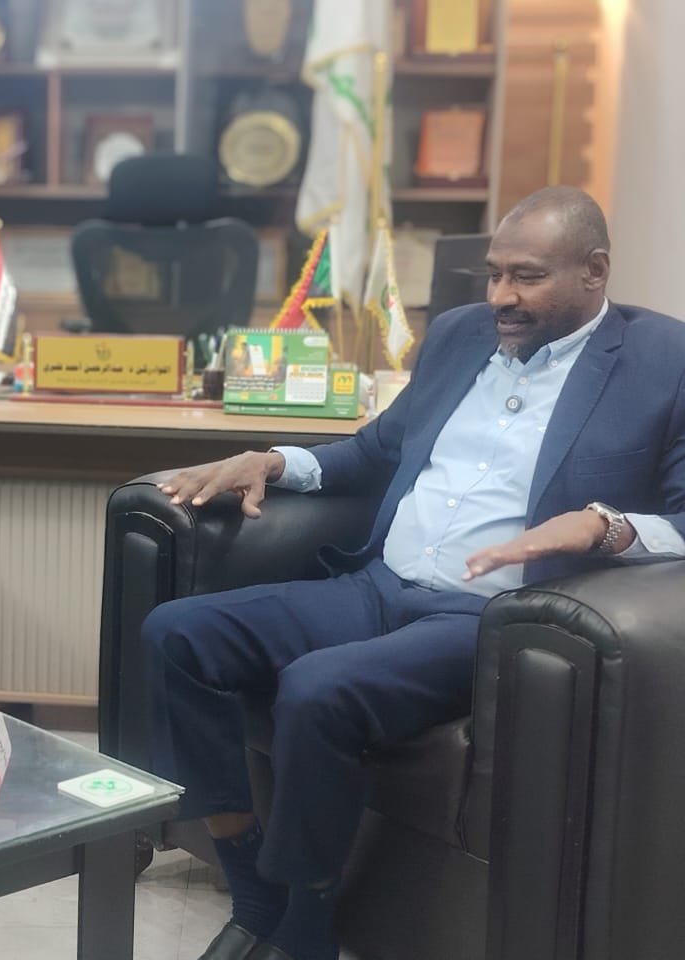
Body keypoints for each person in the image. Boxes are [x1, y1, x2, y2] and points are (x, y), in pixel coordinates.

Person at [144, 185, 685, 960]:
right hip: (376, 587)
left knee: (317, 689)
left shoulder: (662, 362)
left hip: (488, 617)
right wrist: (275, 461)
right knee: (178, 634)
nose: (501, 296)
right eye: (494, 273)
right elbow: (379, 448)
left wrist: (605, 526)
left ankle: (301, 929)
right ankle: (251, 883)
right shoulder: (462, 334)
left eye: (527, 277)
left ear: (594, 271)